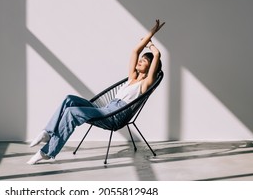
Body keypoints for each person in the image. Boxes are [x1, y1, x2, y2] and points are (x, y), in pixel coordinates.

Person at [27, 19, 165, 165]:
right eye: (141, 59)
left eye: (144, 61)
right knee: (69, 99)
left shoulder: (145, 84)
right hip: (105, 110)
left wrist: (150, 44)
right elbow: (135, 51)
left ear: (150, 69)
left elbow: (157, 55)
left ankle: (48, 152)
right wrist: (151, 32)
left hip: (115, 116)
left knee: (72, 112)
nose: (140, 61)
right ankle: (48, 133)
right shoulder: (132, 77)